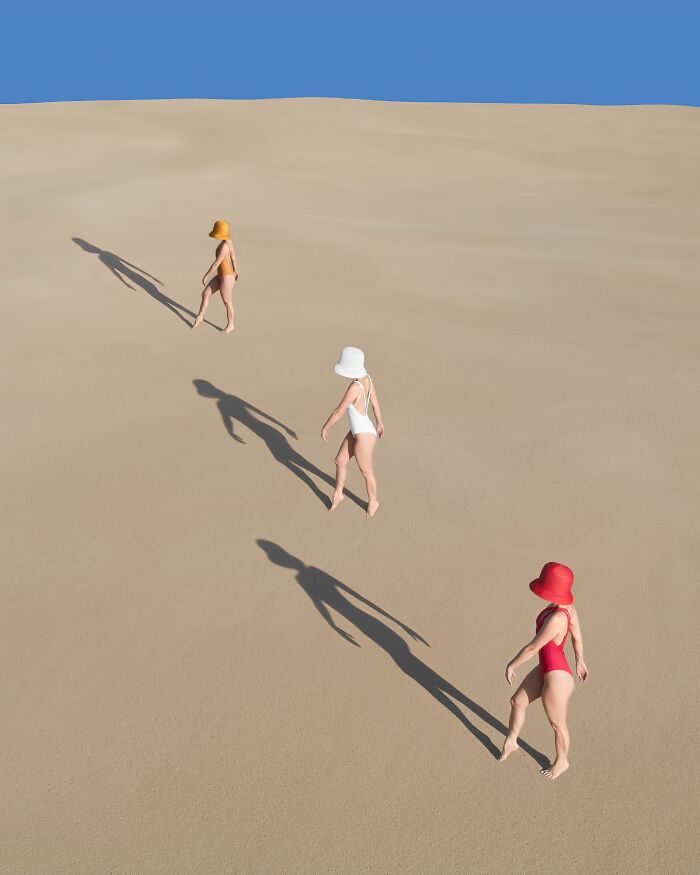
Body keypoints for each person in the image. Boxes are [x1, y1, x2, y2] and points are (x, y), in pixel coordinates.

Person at [499, 562, 588, 779]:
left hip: (556, 677)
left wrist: (512, 664)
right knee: (517, 701)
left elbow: (533, 647)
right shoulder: (566, 608)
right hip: (547, 668)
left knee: (557, 724)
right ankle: (512, 741)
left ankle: (562, 761)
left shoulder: (558, 618)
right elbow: (576, 635)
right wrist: (580, 660)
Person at [321, 347, 384, 517]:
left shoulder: (354, 388)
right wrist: (379, 423)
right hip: (361, 430)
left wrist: (325, 427)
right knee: (340, 460)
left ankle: (373, 501)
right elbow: (375, 404)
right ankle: (338, 494)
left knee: (366, 471)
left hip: (363, 436)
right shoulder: (367, 378)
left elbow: (339, 412)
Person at [193, 220, 238, 333]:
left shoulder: (225, 246)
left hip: (226, 278)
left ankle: (231, 324)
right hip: (222, 275)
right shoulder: (228, 242)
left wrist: (206, 275)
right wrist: (236, 270)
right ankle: (200, 317)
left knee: (227, 302)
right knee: (205, 294)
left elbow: (216, 263)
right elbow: (233, 256)